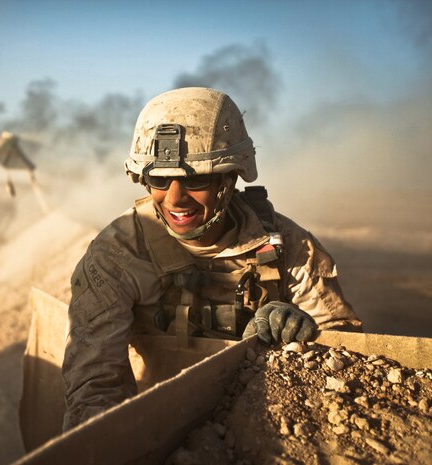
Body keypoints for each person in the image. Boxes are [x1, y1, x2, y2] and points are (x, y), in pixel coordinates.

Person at [61, 87, 362, 431]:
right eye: (159, 178)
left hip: (265, 426)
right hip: (157, 425)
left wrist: (299, 333)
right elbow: (94, 390)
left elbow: (349, 358)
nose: (176, 198)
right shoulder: (118, 254)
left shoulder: (289, 247)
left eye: (196, 178)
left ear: (229, 177)